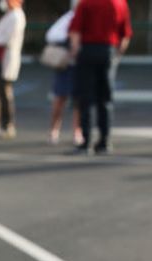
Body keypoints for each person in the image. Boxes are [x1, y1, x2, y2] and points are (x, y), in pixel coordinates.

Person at [68, 0, 131, 155]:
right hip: (108, 51)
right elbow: (125, 34)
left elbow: (75, 30)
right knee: (106, 99)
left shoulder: (86, 3)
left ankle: (86, 141)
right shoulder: (119, 3)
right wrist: (117, 55)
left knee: (86, 98)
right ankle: (104, 141)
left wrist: (75, 51)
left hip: (88, 51)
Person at [0, 0, 26, 139]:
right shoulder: (9, 15)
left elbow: (4, 39)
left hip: (7, 59)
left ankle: (8, 125)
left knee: (5, 93)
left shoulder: (16, 16)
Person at [45, 1, 83, 146]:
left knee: (78, 101)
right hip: (66, 65)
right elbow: (51, 35)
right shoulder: (69, 17)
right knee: (60, 98)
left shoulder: (86, 16)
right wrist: (69, 39)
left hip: (80, 66)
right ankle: (54, 130)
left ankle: (77, 132)